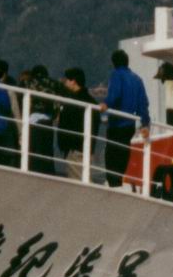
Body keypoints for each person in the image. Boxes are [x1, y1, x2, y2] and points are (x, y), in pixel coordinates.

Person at [99, 48, 150, 187]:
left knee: (112, 158)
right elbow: (143, 104)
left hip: (117, 124)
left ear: (114, 63)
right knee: (123, 156)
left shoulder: (117, 74)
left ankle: (113, 185)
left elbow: (115, 94)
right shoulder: (137, 79)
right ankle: (118, 183)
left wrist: (105, 103)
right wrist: (145, 124)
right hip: (129, 126)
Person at [55, 67, 90, 180]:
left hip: (75, 149)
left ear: (73, 81)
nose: (65, 82)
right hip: (77, 148)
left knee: (77, 180)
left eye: (67, 80)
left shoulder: (76, 101)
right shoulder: (88, 100)